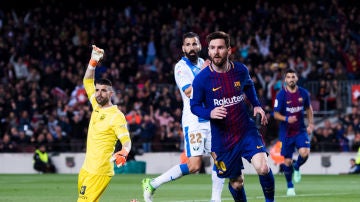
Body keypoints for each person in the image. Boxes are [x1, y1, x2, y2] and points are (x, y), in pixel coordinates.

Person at [190, 31, 275, 202]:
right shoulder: (201, 79)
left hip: (246, 130)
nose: (216, 52)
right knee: (237, 183)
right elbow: (194, 106)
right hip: (223, 138)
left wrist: (257, 105)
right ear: (208, 51)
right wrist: (210, 113)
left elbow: (249, 86)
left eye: (220, 47)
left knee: (264, 167)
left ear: (228, 50)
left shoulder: (240, 70)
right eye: (212, 48)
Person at [142, 32, 224, 202]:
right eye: (188, 44)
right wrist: (204, 73)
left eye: (194, 44)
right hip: (194, 121)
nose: (191, 48)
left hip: (210, 118)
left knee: (221, 159)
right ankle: (153, 183)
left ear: (200, 47)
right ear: (183, 48)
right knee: (194, 166)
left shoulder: (203, 62)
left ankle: (216, 199)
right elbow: (189, 91)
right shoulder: (181, 67)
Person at [77, 45, 132, 202]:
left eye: (103, 90)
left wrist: (124, 152)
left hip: (100, 171)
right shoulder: (96, 104)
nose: (99, 93)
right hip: (86, 169)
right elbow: (87, 80)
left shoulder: (116, 116)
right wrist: (93, 60)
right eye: (97, 90)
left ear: (111, 93)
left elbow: (126, 141)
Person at [273, 69, 314, 196]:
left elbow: (309, 109)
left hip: (300, 130)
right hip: (286, 133)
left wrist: (311, 124)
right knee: (287, 161)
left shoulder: (303, 93)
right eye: (288, 77)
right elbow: (275, 114)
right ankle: (290, 187)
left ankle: (297, 167)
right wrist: (286, 118)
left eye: (293, 76)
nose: (291, 79)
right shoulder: (281, 95)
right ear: (285, 80)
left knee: (305, 153)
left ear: (297, 78)